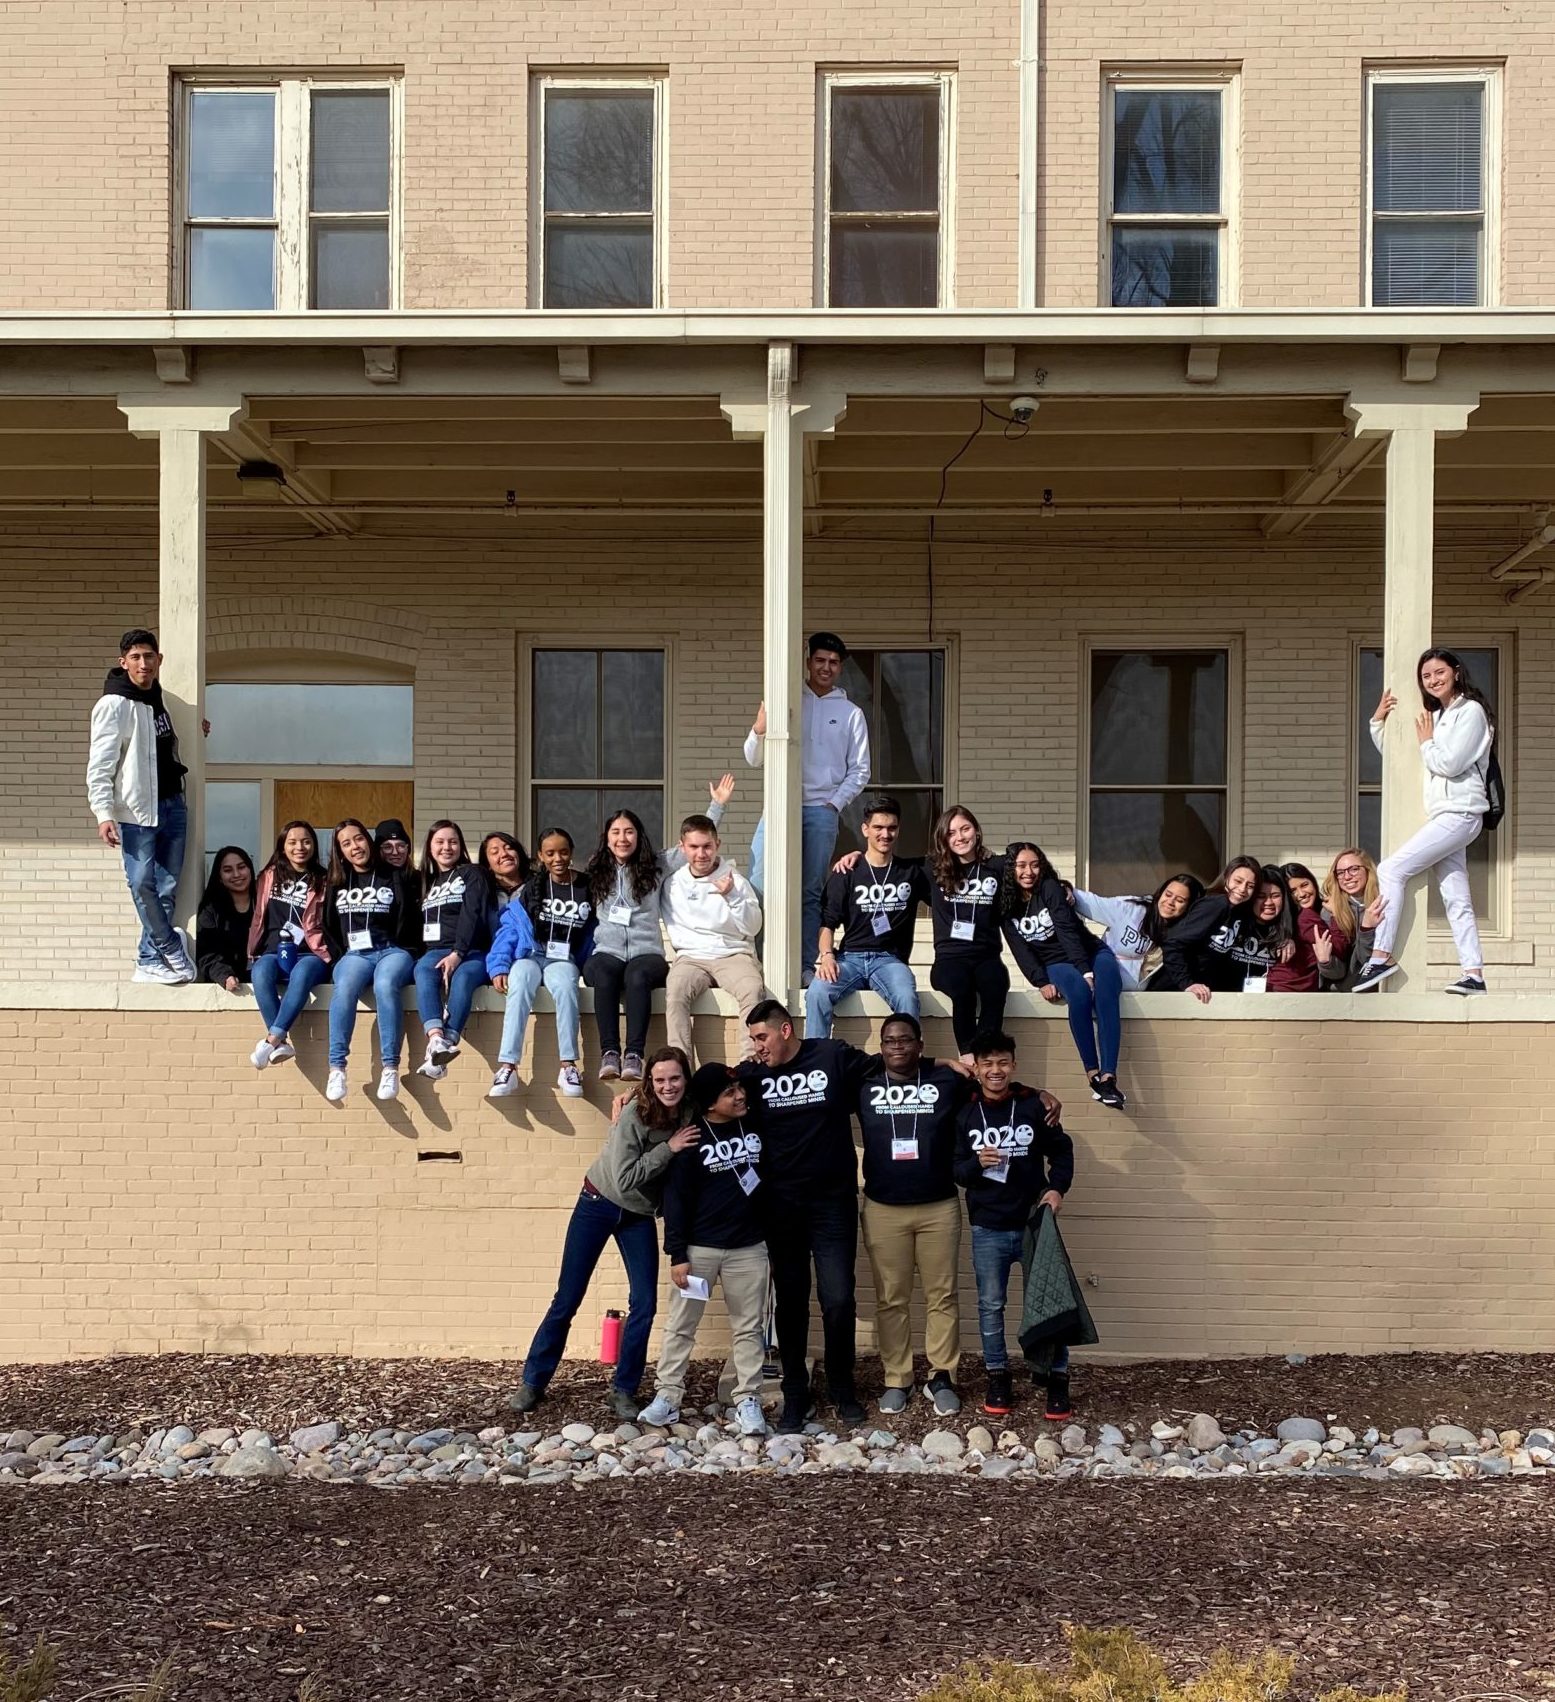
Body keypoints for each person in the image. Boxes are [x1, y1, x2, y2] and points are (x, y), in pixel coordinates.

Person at [508, 1048, 700, 1422]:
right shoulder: (634, 1113)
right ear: (649, 1082)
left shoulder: (690, 1107)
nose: (667, 1086)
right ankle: (533, 1381)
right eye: (659, 1080)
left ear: (685, 1079)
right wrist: (669, 1148)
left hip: (638, 1214)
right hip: (598, 1201)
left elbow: (721, 1083)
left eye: (674, 1078)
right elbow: (626, 1177)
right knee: (568, 1298)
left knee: (644, 1303)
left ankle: (624, 1390)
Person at [739, 1000, 875, 1431]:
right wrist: (638, 1096)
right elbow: (704, 1094)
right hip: (781, 1206)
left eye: (762, 1037)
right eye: (753, 1039)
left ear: (785, 1030)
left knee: (838, 1299)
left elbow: (892, 1067)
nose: (757, 1047)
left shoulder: (830, 1056)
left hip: (832, 1203)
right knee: (792, 1301)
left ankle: (841, 1386)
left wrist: (948, 1064)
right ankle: (796, 1391)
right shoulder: (752, 1076)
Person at [638, 1063, 772, 1438]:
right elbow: (676, 1201)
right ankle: (667, 1397)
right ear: (711, 1103)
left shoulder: (755, 1124)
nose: (740, 1095)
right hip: (700, 1253)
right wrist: (678, 1255)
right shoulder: (693, 1138)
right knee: (681, 1326)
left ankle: (748, 1399)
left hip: (748, 1251)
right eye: (730, 1093)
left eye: (739, 1089)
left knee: (749, 1328)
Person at [1358, 648, 1494, 994]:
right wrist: (1377, 722)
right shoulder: (1441, 715)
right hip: (1447, 815)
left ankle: (1380, 956)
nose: (1433, 680)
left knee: (1391, 870)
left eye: (1439, 672)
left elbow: (1449, 763)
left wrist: (1427, 743)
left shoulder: (1471, 712)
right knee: (1456, 897)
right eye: (1426, 676)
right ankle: (1474, 974)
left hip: (1460, 813)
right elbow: (1401, 757)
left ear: (1457, 672)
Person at [953, 1029, 1073, 1421]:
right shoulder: (966, 1111)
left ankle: (1055, 1377)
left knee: (1049, 1300)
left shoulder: (1034, 1106)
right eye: (987, 1063)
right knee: (991, 1305)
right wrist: (977, 1165)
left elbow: (1062, 1150)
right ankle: (997, 1375)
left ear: (1013, 1065)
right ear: (977, 1068)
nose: (995, 1070)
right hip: (988, 1226)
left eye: (1002, 1062)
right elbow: (955, 1170)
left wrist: (1056, 1190)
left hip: (1034, 1223)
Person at [857, 1014, 972, 1416]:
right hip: (883, 1208)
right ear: (881, 1046)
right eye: (890, 1041)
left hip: (938, 1205)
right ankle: (897, 1378)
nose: (898, 1047)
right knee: (892, 1298)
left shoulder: (947, 1081)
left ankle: (942, 1376)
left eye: (906, 1040)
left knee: (943, 1295)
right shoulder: (865, 1080)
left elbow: (996, 1090)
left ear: (920, 1045)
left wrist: (1039, 1095)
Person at [582, 778, 734, 1081]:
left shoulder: (656, 864)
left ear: (638, 836)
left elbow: (692, 847)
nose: (622, 838)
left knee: (636, 976)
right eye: (616, 832)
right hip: (607, 952)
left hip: (646, 953)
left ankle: (635, 1056)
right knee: (604, 972)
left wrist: (717, 805)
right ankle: (610, 1053)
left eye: (629, 832)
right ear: (607, 837)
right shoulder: (595, 869)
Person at [744, 631, 871, 980]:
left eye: (833, 663)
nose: (826, 667)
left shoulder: (850, 713)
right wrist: (758, 730)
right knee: (758, 886)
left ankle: (803, 964)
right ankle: (758, 962)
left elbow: (860, 770)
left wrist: (833, 804)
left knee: (810, 891)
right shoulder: (785, 700)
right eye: (820, 660)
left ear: (840, 668)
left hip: (821, 812)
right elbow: (752, 758)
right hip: (779, 807)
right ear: (808, 662)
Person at [85, 628, 197, 984]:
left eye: (149, 656)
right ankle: (167, 944)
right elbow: (100, 764)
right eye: (135, 657)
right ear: (123, 662)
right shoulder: (114, 704)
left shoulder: (158, 696)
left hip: (173, 804)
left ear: (159, 660)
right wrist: (103, 813)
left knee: (166, 886)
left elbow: (161, 740)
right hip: (137, 812)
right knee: (140, 882)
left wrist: (196, 726)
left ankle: (148, 959)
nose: (143, 663)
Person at [1001, 842, 1127, 1109]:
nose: (1029, 872)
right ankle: (1092, 1073)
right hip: (1054, 962)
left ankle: (1109, 1077)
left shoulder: (1049, 889)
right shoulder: (1006, 905)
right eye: (1021, 865)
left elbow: (1067, 929)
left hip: (1090, 952)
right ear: (1011, 869)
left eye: (1035, 864)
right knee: (1080, 996)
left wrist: (1086, 969)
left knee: (1105, 996)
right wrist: (1041, 981)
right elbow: (1020, 950)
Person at [805, 793, 928, 1039]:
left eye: (892, 828)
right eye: (878, 827)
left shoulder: (912, 872)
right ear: (865, 829)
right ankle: (815, 1058)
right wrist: (827, 957)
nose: (885, 834)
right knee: (817, 992)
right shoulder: (847, 872)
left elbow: (950, 867)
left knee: (906, 996)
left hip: (889, 960)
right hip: (849, 959)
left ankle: (907, 1065)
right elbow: (827, 923)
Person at [488, 826, 591, 1099]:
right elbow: (510, 928)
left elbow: (594, 933)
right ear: (540, 856)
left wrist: (587, 964)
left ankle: (568, 1065)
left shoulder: (585, 887)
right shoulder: (532, 888)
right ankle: (508, 1067)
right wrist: (498, 965)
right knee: (519, 982)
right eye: (550, 853)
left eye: (563, 852)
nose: (558, 858)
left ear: (571, 853)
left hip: (562, 959)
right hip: (531, 955)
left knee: (567, 988)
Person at [322, 818, 417, 1104]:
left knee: (385, 985)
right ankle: (337, 1067)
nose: (355, 847)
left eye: (359, 839)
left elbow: (407, 916)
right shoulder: (337, 882)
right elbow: (328, 924)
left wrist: (402, 947)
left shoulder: (393, 875)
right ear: (340, 851)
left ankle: (390, 1067)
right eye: (346, 843)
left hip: (391, 950)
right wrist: (340, 958)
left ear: (369, 840)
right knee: (346, 987)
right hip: (355, 954)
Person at [659, 814, 766, 1065]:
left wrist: (732, 896)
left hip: (732, 954)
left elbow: (752, 927)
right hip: (691, 957)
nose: (701, 854)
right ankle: (681, 1068)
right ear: (682, 847)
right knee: (675, 992)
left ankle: (749, 1065)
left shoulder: (735, 880)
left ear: (717, 844)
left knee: (752, 989)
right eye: (694, 847)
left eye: (707, 846)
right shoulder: (672, 884)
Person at [412, 820, 496, 1081]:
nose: (446, 847)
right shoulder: (428, 881)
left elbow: (472, 913)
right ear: (429, 848)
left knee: (463, 979)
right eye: (439, 842)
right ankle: (437, 1040)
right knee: (424, 970)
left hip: (472, 951)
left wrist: (458, 953)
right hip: (436, 950)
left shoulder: (472, 873)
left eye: (453, 842)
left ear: (460, 846)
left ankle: (446, 1042)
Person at [247, 821, 333, 1069]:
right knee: (260, 973)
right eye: (292, 842)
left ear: (314, 845)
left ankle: (271, 1040)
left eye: (306, 841)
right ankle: (281, 1042)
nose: (300, 847)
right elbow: (258, 915)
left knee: (302, 973)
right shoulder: (269, 876)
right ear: (282, 846)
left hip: (310, 951)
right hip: (274, 949)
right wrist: (252, 950)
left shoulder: (323, 879)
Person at [927, 805, 1007, 1057]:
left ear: (977, 831)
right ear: (943, 838)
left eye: (965, 829)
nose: (960, 837)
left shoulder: (996, 866)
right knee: (963, 991)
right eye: (951, 833)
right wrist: (854, 856)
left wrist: (1063, 886)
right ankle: (968, 1056)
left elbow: (1030, 864)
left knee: (996, 986)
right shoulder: (932, 869)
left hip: (986, 956)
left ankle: (984, 1055)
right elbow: (890, 867)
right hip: (949, 959)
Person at [1147, 855, 1262, 1003]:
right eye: (1238, 881)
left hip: (1199, 997)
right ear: (1226, 877)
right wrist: (1187, 984)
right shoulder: (1216, 904)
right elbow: (1173, 943)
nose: (1242, 889)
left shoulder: (1238, 913)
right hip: (1170, 994)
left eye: (1250, 886)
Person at [1071, 873, 1204, 991]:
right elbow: (1089, 902)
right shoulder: (1131, 909)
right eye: (1168, 895)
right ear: (1161, 893)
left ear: (1189, 907)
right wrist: (1064, 889)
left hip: (1142, 1004)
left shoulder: (1185, 932)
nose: (1170, 902)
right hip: (1103, 990)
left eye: (1180, 900)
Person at [1319, 848, 1382, 992]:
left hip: (1375, 993)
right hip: (1340, 995)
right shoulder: (1329, 910)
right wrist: (1325, 962)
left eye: (1353, 869)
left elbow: (1369, 961)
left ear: (1368, 870)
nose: (1347, 877)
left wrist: (1367, 929)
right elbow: (1335, 972)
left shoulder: (1381, 905)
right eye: (1340, 872)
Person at [1272, 861, 1339, 993]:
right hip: (1290, 993)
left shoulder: (1324, 909)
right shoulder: (1301, 917)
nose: (1301, 894)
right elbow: (1338, 947)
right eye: (1293, 891)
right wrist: (1337, 915)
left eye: (1304, 885)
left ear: (1312, 881)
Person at [195, 846, 256, 989]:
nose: (236, 874)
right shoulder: (210, 909)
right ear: (220, 877)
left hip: (266, 980)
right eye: (228, 870)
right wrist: (224, 976)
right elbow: (206, 953)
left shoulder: (265, 903)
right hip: (228, 985)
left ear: (250, 870)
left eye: (241, 867)